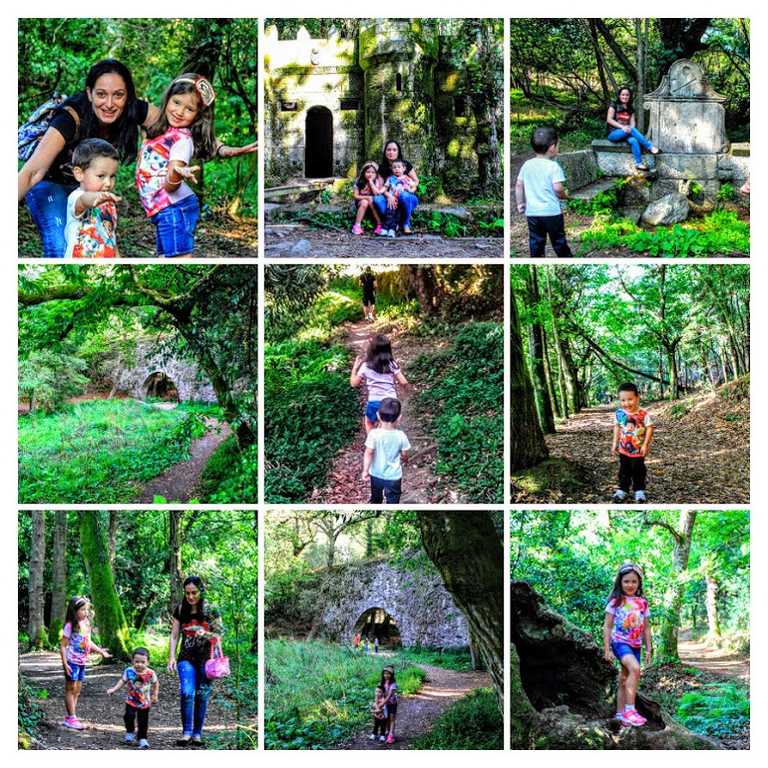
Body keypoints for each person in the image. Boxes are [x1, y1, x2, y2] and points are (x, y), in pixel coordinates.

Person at [18, 59, 161, 258]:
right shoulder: (69, 118)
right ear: (89, 93)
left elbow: (177, 125)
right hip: (50, 184)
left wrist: (219, 147)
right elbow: (32, 172)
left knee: (95, 242)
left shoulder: (133, 109)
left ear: (127, 96)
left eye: (118, 95)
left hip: (89, 184)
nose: (109, 104)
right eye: (101, 94)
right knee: (62, 245)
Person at [135, 73, 257, 257]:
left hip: (174, 207)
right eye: (176, 102)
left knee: (178, 257)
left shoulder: (182, 140)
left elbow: (169, 185)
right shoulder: (161, 128)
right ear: (168, 98)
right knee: (165, 256)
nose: (179, 111)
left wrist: (176, 174)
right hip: (164, 209)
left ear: (198, 115)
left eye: (189, 109)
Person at [168, 575, 224, 747]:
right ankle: (186, 733)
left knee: (202, 695)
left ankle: (197, 733)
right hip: (186, 657)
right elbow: (175, 635)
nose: (191, 597)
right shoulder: (180, 609)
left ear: (201, 591)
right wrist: (171, 657)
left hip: (207, 660)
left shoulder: (211, 609)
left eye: (194, 593)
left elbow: (219, 634)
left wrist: (204, 633)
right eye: (187, 593)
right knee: (187, 692)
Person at [603, 562, 653, 727]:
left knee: (624, 678)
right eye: (626, 581)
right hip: (620, 643)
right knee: (635, 669)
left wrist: (648, 648)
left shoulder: (642, 603)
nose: (630, 585)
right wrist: (607, 649)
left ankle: (620, 714)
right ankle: (630, 710)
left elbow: (646, 627)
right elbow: (608, 626)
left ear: (639, 583)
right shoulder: (615, 602)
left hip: (636, 645)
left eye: (634, 581)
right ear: (620, 582)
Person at [515, 127, 573, 257]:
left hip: (533, 213)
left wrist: (520, 204)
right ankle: (565, 257)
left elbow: (519, 184)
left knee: (536, 241)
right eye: (558, 145)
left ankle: (536, 257)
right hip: (552, 212)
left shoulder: (527, 164)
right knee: (558, 241)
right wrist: (565, 196)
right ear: (552, 147)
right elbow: (558, 189)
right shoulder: (553, 166)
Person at [59, 596, 113, 730]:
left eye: (87, 610)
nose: (86, 612)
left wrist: (100, 651)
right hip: (72, 662)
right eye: (83, 609)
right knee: (70, 689)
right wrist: (65, 664)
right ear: (74, 610)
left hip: (82, 662)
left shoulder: (86, 624)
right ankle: (72, 718)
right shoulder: (70, 625)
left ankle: (71, 717)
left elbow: (88, 642)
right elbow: (63, 646)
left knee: (77, 691)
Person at [64, 138, 121, 258]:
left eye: (112, 176)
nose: (108, 183)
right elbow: (85, 200)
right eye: (101, 176)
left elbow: (111, 236)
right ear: (79, 174)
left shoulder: (109, 203)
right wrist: (97, 198)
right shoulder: (76, 197)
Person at [350, 334, 408, 433]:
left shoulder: (365, 366)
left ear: (372, 350)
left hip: (374, 401)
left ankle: (372, 441)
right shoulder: (391, 364)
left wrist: (355, 368)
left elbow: (354, 384)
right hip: (391, 402)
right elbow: (403, 382)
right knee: (389, 425)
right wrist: (404, 392)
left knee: (369, 422)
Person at [106, 647, 159, 749]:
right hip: (131, 700)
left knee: (143, 721)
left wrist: (155, 695)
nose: (139, 664)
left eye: (143, 662)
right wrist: (114, 689)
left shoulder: (150, 673)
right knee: (128, 716)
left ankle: (142, 738)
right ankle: (130, 732)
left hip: (144, 702)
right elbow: (122, 681)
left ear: (148, 662)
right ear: (132, 661)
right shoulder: (129, 671)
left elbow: (156, 683)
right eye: (137, 661)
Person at [611, 382, 654, 503]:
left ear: (637, 397)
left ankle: (639, 490)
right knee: (624, 469)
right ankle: (623, 489)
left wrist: (645, 444)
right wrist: (614, 443)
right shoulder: (619, 414)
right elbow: (617, 427)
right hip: (623, 448)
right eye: (623, 400)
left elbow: (650, 427)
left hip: (638, 450)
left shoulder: (643, 414)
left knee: (638, 469)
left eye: (630, 399)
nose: (626, 403)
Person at [362, 397, 410, 505]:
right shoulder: (401, 436)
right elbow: (404, 454)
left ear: (378, 415)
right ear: (399, 418)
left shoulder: (373, 434)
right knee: (393, 499)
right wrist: (406, 460)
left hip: (376, 474)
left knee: (376, 497)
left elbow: (368, 453)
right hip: (393, 476)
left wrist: (365, 470)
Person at [606, 87, 660, 172]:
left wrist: (629, 128)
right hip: (614, 133)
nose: (625, 96)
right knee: (631, 130)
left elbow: (632, 123)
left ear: (629, 96)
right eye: (623, 94)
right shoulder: (614, 105)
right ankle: (650, 146)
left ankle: (639, 164)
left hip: (626, 133)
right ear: (619, 96)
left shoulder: (630, 108)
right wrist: (623, 127)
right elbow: (609, 120)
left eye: (627, 95)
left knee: (634, 140)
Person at [373, 140, 419, 234]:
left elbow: (416, 181)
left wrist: (411, 189)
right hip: (390, 196)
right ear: (385, 152)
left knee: (404, 196)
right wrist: (389, 196)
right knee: (377, 199)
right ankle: (393, 222)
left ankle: (405, 224)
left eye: (394, 150)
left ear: (398, 152)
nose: (391, 152)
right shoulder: (382, 168)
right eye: (388, 150)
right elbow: (382, 188)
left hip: (407, 196)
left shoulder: (405, 164)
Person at [380, 159, 418, 237]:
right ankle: (385, 229)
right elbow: (385, 187)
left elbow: (414, 186)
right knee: (389, 214)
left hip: (401, 201)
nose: (396, 169)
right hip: (392, 201)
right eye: (394, 167)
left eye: (399, 167)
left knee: (397, 216)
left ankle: (392, 230)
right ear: (392, 169)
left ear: (404, 169)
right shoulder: (390, 179)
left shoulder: (407, 178)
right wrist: (379, 191)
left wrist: (410, 190)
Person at [352, 161, 383, 235]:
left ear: (376, 174)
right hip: (361, 202)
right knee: (365, 202)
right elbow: (355, 196)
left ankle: (380, 224)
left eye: (373, 172)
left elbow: (376, 193)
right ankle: (357, 226)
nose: (370, 174)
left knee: (372, 200)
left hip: (373, 203)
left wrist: (371, 182)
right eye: (368, 172)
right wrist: (367, 197)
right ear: (363, 172)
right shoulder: (359, 182)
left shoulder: (377, 181)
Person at [381, 666, 398, 745]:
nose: (386, 675)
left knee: (392, 719)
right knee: (386, 718)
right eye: (385, 673)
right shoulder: (382, 683)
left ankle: (391, 735)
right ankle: (388, 732)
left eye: (388, 674)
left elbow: (389, 696)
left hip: (392, 704)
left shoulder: (393, 684)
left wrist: (382, 703)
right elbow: (379, 693)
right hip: (385, 704)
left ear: (392, 675)